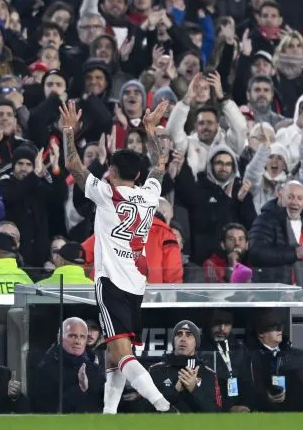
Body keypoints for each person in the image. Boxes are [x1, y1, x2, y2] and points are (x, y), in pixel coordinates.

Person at [60, 99, 175, 414]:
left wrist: (68, 132)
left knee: (122, 353)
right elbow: (160, 163)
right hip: (137, 284)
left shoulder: (106, 193)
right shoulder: (150, 195)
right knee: (114, 352)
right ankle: (109, 415)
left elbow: (73, 165)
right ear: (137, 174)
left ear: (111, 172)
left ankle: (163, 406)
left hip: (111, 282)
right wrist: (150, 131)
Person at [230, 310, 303, 413]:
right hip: (262, 415)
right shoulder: (248, 358)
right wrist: (263, 398)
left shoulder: (294, 355)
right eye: (274, 327)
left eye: (280, 326)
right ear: (261, 333)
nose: (279, 330)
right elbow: (244, 390)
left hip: (293, 414)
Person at [31, 317, 105, 413]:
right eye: (72, 336)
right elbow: (46, 409)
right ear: (60, 337)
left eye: (82, 337)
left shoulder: (94, 369)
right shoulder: (46, 368)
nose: (78, 341)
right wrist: (80, 389)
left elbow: (105, 404)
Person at [147, 320, 221, 412]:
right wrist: (175, 391)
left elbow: (216, 414)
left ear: (196, 342)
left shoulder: (208, 374)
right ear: (173, 341)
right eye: (179, 334)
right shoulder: (155, 371)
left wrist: (194, 389)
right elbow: (147, 411)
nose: (183, 339)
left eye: (189, 335)